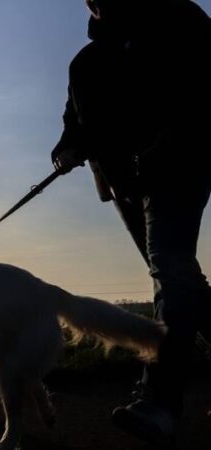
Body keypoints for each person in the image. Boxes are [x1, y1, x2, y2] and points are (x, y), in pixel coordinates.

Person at [51, 0, 211, 445]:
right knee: (180, 281)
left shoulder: (179, 17)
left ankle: (158, 402)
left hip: (179, 169)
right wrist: (65, 149)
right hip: (124, 186)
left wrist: (179, 136)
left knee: (170, 267)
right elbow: (74, 121)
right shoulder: (83, 62)